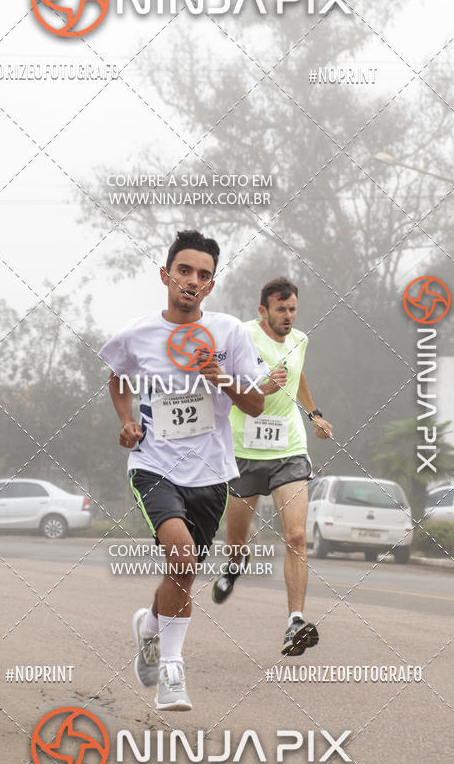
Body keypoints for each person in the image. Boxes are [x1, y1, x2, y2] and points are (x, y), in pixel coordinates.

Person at [99, 230, 265, 711]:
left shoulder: (228, 333)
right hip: (153, 466)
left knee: (182, 574)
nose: (192, 281)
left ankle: (149, 628)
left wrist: (225, 379)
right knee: (183, 558)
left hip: (211, 473)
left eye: (204, 275)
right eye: (185, 271)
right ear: (166, 275)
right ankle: (172, 674)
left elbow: (255, 405)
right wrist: (128, 421)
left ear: (211, 286)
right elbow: (118, 379)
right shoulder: (138, 333)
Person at [211, 276, 333, 657]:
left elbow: (297, 377)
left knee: (296, 536)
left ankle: (295, 621)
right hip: (243, 451)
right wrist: (256, 389)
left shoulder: (300, 340)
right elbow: (216, 380)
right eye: (280, 309)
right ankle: (235, 563)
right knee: (236, 538)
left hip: (289, 449)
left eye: (292, 308)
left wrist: (314, 413)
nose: (288, 316)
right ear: (261, 311)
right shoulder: (240, 336)